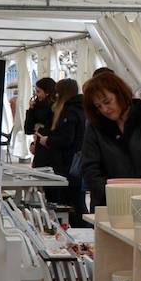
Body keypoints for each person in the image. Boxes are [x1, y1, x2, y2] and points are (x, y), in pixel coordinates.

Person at [79, 71, 141, 210]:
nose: (105, 109)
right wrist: (114, 194)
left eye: (107, 102)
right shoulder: (95, 128)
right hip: (108, 206)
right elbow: (90, 167)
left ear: (120, 94)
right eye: (98, 106)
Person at [35, 78, 87, 221]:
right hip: (73, 164)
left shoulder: (69, 111)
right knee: (75, 200)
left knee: (69, 202)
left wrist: (48, 140)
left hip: (67, 165)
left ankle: (77, 228)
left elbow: (66, 139)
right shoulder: (79, 109)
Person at [26, 77, 57, 168]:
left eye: (38, 91)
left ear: (47, 92)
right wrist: (31, 110)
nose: (36, 94)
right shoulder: (36, 106)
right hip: (39, 148)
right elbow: (28, 129)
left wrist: (39, 128)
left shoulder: (54, 108)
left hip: (49, 149)